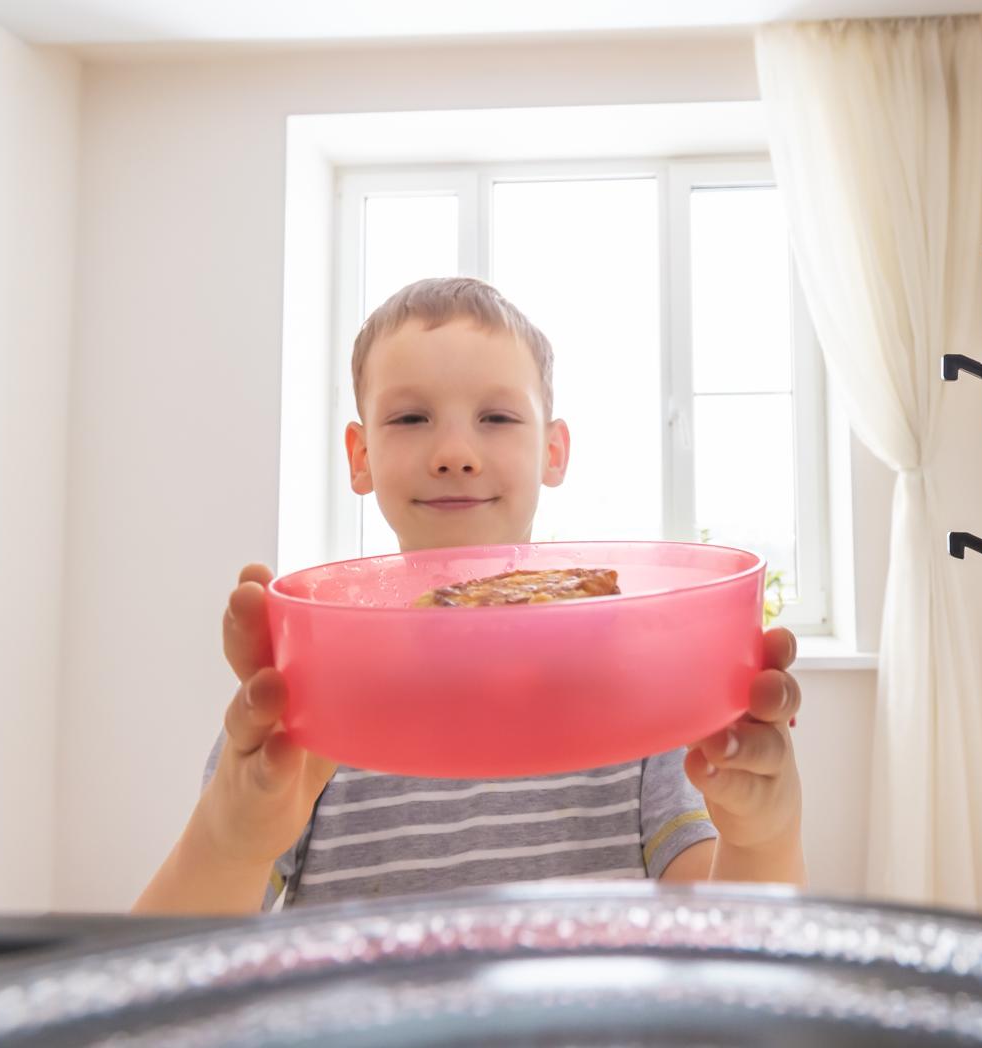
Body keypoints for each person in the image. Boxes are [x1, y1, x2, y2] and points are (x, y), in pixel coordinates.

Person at [134, 277, 805, 914]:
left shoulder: (639, 691)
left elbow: (721, 948)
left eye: (496, 416)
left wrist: (761, 837)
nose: (455, 452)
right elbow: (158, 991)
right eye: (410, 417)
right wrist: (229, 840)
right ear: (360, 455)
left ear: (554, 450)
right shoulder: (312, 699)